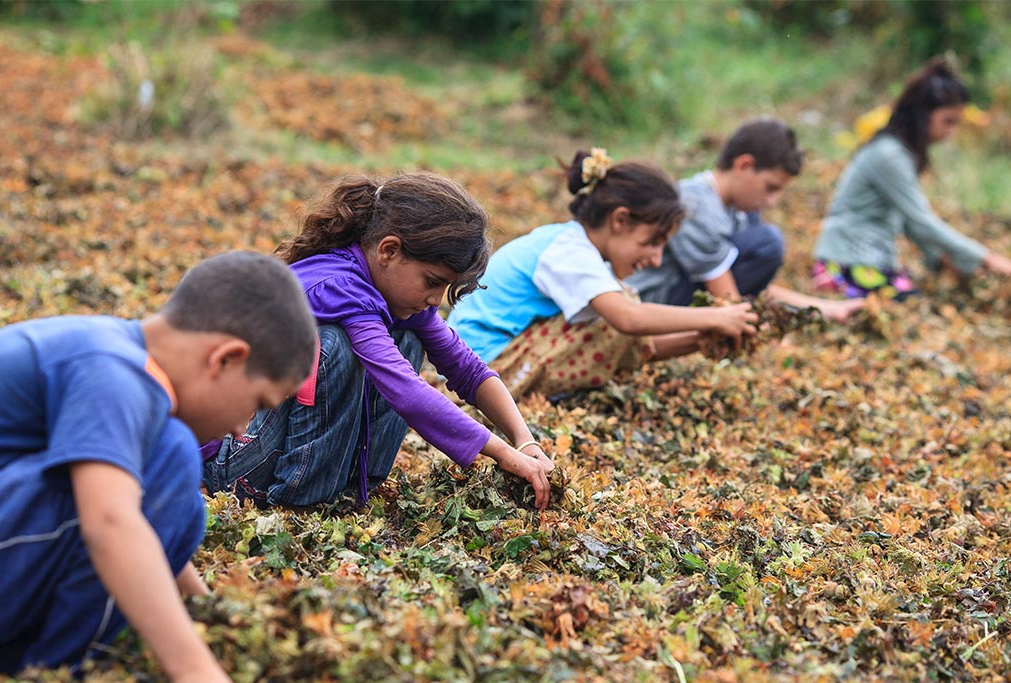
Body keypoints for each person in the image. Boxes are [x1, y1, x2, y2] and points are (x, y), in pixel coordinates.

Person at [0, 251, 318, 683]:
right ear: (225, 359)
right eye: (256, 404)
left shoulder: (112, 353)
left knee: (173, 487)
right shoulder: (112, 371)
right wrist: (192, 668)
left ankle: (27, 663)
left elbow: (151, 524)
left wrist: (209, 616)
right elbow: (111, 522)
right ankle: (50, 679)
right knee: (172, 455)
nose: (243, 427)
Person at [202, 173, 555, 510]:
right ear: (388, 251)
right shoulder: (338, 287)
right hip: (232, 463)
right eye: (432, 281)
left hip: (274, 451)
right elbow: (407, 391)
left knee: (408, 337)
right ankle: (299, 499)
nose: (436, 299)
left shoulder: (393, 294)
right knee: (332, 348)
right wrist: (503, 454)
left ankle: (353, 483)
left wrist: (524, 440)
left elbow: (467, 369)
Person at [446, 148, 760, 400]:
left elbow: (635, 338)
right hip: (478, 368)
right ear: (620, 220)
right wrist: (715, 317)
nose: (655, 259)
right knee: (617, 316)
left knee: (618, 309)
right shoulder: (569, 250)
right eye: (652, 243)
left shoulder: (576, 247)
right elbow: (629, 322)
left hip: (490, 358)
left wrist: (702, 338)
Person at [812, 57, 1011, 298]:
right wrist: (991, 260)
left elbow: (911, 223)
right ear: (923, 113)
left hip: (869, 260)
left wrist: (942, 259)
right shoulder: (888, 155)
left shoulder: (900, 154)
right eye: (948, 121)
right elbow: (922, 220)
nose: (951, 132)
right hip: (847, 262)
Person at [625, 118, 863, 322]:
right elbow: (726, 297)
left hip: (686, 294)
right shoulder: (696, 207)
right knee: (767, 243)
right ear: (743, 165)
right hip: (651, 302)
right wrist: (756, 332)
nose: (772, 201)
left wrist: (823, 308)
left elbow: (747, 286)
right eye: (770, 188)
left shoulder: (736, 211)